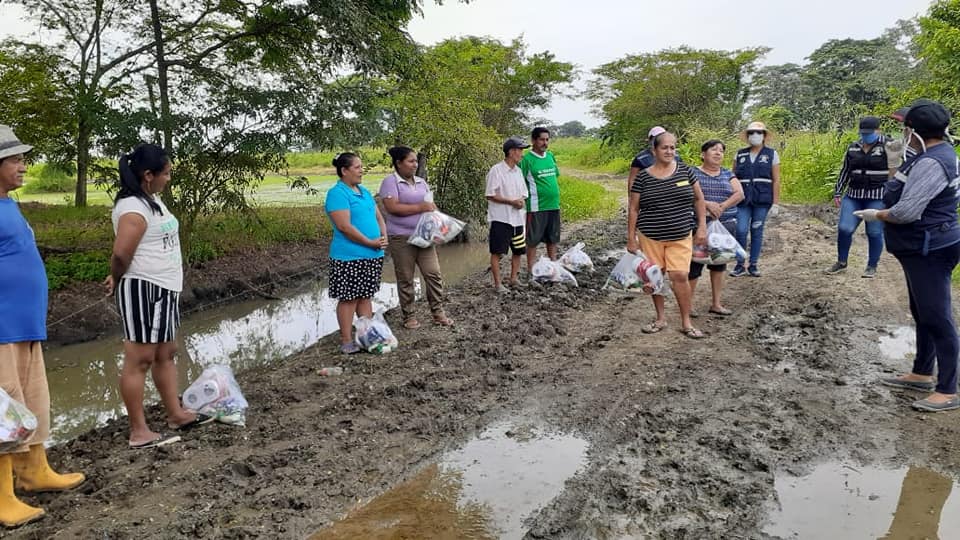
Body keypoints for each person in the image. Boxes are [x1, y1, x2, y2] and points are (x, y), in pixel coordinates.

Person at [0, 125, 84, 526]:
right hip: (2, 330)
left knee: (32, 401)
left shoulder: (8, 204)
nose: (23, 166)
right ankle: (3, 498)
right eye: (15, 160)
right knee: (4, 411)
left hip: (24, 327)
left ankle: (34, 471)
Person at [104, 143, 210, 449]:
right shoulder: (133, 209)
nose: (169, 178)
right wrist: (116, 277)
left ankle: (176, 414)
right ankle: (139, 431)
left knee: (166, 352)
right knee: (140, 359)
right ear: (148, 175)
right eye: (166, 173)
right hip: (143, 288)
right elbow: (121, 255)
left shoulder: (150, 200)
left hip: (164, 287)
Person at [857, 99, 960, 412]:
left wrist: (877, 215)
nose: (902, 134)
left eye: (905, 128)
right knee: (923, 311)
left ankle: (948, 389)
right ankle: (921, 372)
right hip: (923, 246)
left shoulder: (932, 163)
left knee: (937, 316)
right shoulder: (931, 156)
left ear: (915, 131)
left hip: (931, 247)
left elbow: (906, 211)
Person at [627, 130, 708, 338]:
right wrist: (631, 238)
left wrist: (702, 226)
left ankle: (686, 322)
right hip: (650, 235)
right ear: (654, 150)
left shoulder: (686, 171)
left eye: (673, 147)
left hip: (681, 234)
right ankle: (660, 318)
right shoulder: (643, 177)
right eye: (664, 147)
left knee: (680, 275)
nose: (669, 151)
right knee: (655, 277)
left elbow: (699, 199)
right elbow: (634, 208)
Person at [378, 146, 453, 329]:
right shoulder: (390, 182)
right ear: (399, 163)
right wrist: (420, 208)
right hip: (401, 237)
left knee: (433, 273)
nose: (415, 164)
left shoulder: (421, 182)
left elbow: (430, 205)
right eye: (410, 161)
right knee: (406, 277)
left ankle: (438, 312)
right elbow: (392, 207)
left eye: (415, 161)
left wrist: (440, 222)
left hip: (424, 235)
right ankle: (409, 316)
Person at [324, 152, 388, 353]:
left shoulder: (364, 191)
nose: (361, 171)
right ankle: (346, 340)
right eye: (357, 167)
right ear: (344, 171)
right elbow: (344, 226)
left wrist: (383, 236)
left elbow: (378, 216)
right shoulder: (338, 194)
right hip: (350, 257)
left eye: (361, 167)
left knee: (365, 296)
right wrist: (370, 242)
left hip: (373, 254)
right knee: (349, 298)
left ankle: (366, 336)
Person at [824, 116, 891, 278]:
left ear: (878, 131)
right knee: (844, 228)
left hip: (877, 196)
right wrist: (838, 191)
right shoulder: (853, 147)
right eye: (863, 133)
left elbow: (902, 165)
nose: (866, 136)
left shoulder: (889, 146)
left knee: (874, 232)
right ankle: (841, 262)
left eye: (869, 133)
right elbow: (845, 171)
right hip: (853, 196)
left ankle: (871, 266)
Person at [688, 140, 744, 316]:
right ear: (703, 154)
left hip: (724, 226)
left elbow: (739, 194)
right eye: (714, 149)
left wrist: (722, 206)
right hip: (699, 225)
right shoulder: (692, 172)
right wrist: (707, 204)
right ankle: (687, 305)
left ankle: (716, 304)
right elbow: (687, 194)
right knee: (694, 265)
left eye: (721, 150)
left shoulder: (728, 173)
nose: (718, 153)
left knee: (719, 264)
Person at [730, 121, 781, 277]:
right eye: (751, 132)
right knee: (741, 230)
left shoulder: (771, 154)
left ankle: (753, 264)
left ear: (764, 135)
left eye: (758, 132)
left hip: (762, 200)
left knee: (757, 230)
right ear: (747, 136)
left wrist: (775, 203)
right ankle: (740, 264)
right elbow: (732, 178)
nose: (755, 135)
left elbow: (776, 180)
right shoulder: (740, 154)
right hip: (742, 201)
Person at [486, 137, 529, 292]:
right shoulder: (496, 170)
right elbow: (490, 194)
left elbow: (524, 193)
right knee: (497, 252)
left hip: (517, 219)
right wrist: (511, 202)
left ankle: (513, 279)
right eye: (520, 150)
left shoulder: (518, 171)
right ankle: (498, 284)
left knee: (518, 250)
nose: (522, 154)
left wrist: (521, 201)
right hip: (501, 219)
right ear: (511, 152)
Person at [521, 127, 561, 272]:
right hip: (536, 207)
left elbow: (555, 176)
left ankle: (553, 266)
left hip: (554, 205)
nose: (545, 143)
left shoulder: (550, 156)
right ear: (533, 140)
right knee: (533, 240)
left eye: (547, 140)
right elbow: (519, 181)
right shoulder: (526, 160)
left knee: (552, 238)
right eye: (541, 140)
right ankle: (531, 269)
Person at [626, 126, 683, 193]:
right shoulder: (640, 158)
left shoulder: (675, 157)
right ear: (649, 140)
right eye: (655, 138)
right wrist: (631, 197)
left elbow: (682, 177)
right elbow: (632, 180)